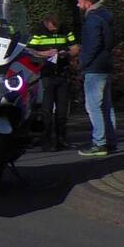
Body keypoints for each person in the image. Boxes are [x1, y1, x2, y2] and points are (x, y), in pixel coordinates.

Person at [75, 0, 117, 156]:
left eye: (80, 1)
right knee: (106, 106)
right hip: (106, 66)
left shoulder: (92, 20)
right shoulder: (105, 16)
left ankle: (99, 143)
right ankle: (111, 141)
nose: (78, 5)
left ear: (88, 3)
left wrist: (82, 64)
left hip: (94, 68)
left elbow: (92, 45)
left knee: (93, 106)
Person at [28, 14, 78, 151]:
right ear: (46, 23)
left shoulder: (65, 30)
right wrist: (46, 54)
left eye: (57, 26)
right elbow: (29, 50)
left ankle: (61, 139)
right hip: (47, 74)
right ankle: (46, 141)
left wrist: (67, 54)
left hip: (62, 73)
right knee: (47, 110)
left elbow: (75, 48)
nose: (55, 29)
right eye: (52, 26)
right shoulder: (38, 33)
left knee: (62, 110)